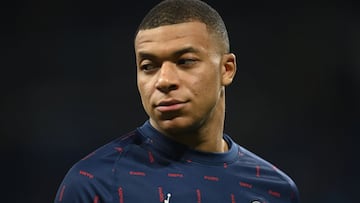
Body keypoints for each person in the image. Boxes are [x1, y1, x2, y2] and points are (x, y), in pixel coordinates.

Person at [54, 0, 300, 202]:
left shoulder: (275, 190)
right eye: (148, 66)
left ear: (226, 69)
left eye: (185, 61)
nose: (164, 80)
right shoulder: (94, 184)